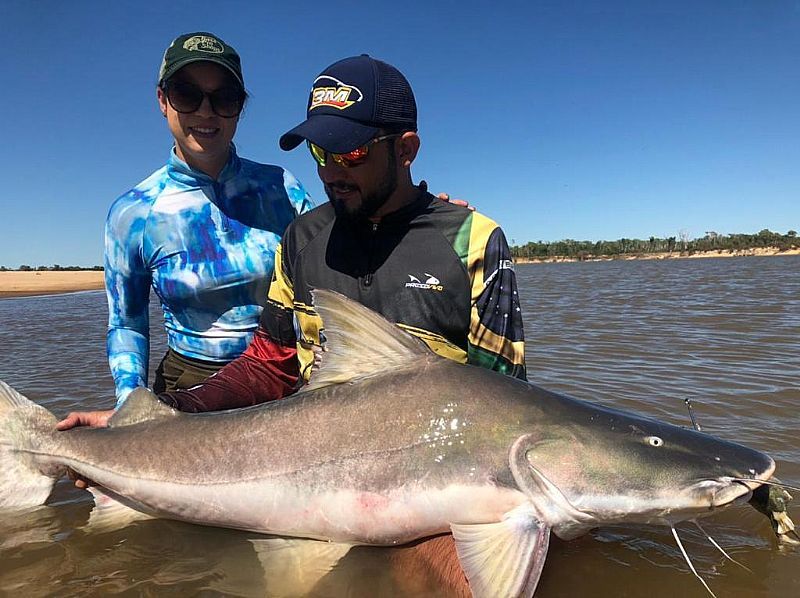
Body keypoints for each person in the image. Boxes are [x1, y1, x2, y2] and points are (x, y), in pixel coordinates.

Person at [58, 32, 313, 429]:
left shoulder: (282, 187)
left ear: (240, 107)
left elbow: (334, 267)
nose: (206, 111)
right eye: (187, 94)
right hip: (191, 385)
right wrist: (131, 407)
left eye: (224, 97)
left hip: (283, 374)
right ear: (163, 100)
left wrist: (414, 219)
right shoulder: (133, 213)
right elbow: (127, 323)